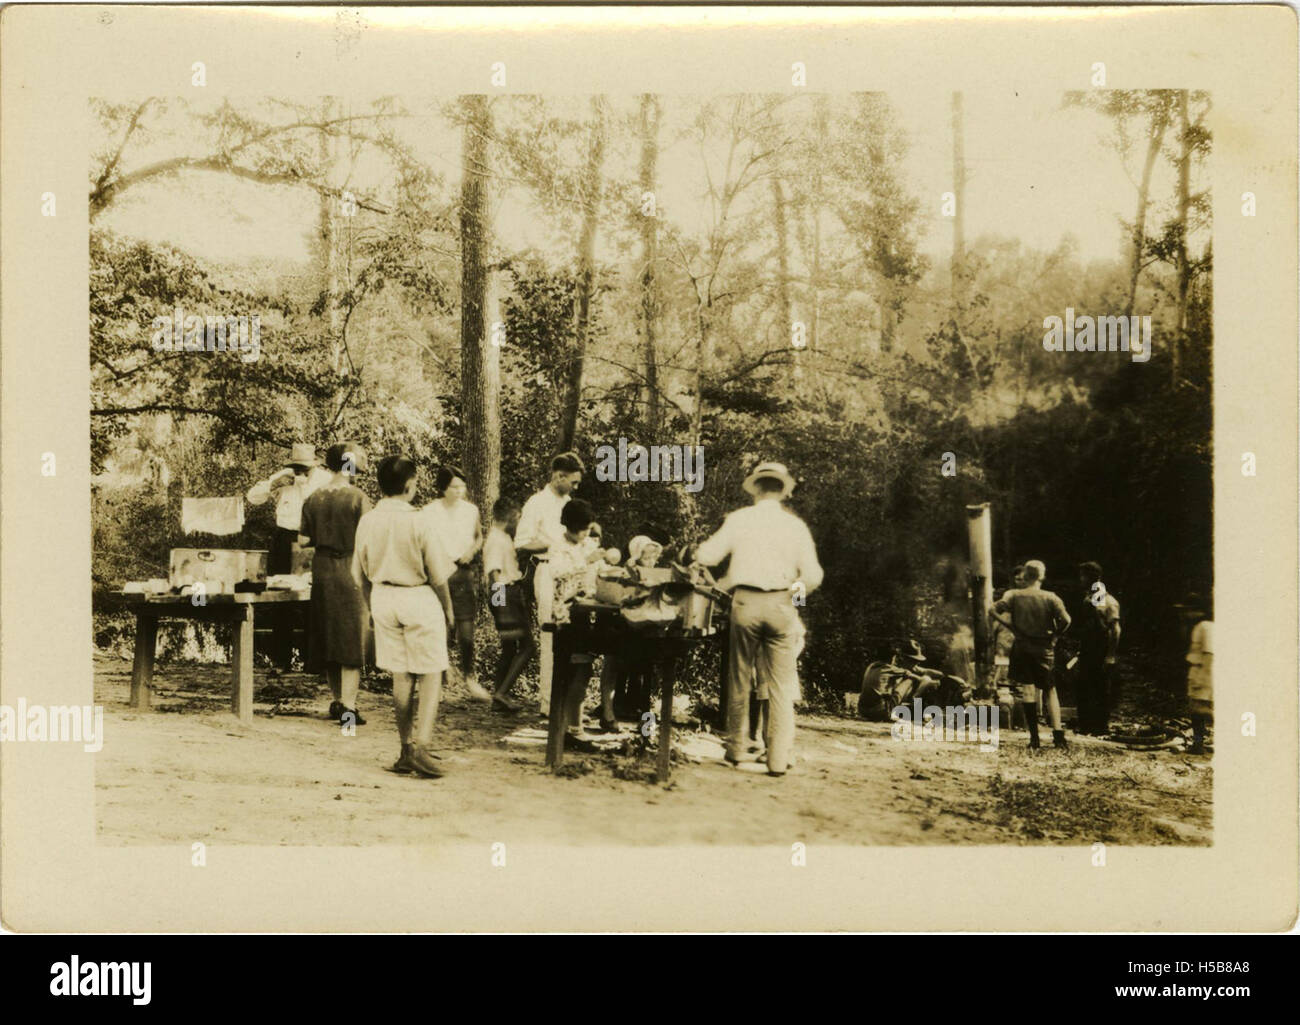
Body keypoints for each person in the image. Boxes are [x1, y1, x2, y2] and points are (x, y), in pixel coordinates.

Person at [695, 461, 822, 777]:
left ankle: (737, 750)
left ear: (756, 489)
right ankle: (777, 759)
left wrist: (697, 554)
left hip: (746, 601)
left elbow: (707, 556)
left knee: (740, 677)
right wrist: (793, 597)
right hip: (782, 604)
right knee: (780, 684)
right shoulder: (795, 526)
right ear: (782, 490)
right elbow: (813, 575)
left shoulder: (740, 520)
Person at [352, 456, 456, 779]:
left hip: (383, 596)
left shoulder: (368, 520)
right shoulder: (419, 520)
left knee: (401, 675)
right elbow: (438, 576)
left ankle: (405, 748)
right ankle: (420, 748)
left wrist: (371, 607)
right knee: (430, 673)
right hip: (418, 597)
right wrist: (449, 611)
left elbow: (359, 574)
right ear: (410, 485)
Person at [299, 443, 371, 725]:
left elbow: (303, 541)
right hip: (351, 569)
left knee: (327, 633)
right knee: (351, 637)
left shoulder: (314, 497)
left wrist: (324, 537)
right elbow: (368, 540)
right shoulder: (358, 498)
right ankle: (349, 708)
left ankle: (337, 701)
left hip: (323, 569)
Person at [246, 442, 332, 667]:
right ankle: (280, 659)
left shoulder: (325, 480)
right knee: (280, 595)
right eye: (296, 468)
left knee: (312, 598)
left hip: (312, 540)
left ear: (313, 466)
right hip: (284, 538)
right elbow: (252, 497)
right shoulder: (283, 477)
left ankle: (312, 660)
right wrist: (274, 484)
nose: (299, 473)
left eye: (304, 469)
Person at [515, 452, 585, 714]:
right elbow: (521, 543)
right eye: (573, 482)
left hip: (570, 573)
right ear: (559, 476)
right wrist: (552, 544)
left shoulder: (568, 502)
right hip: (547, 571)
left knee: (570, 636)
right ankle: (548, 703)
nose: (575, 488)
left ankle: (565, 700)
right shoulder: (537, 502)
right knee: (550, 636)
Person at [536, 498, 601, 750]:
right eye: (583, 529)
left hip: (582, 610)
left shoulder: (583, 544)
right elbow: (561, 573)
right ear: (571, 526)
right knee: (570, 669)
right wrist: (587, 561)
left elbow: (592, 573)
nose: (586, 534)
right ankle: (564, 729)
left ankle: (574, 728)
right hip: (564, 614)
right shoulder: (558, 548)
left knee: (584, 667)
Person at [420, 466, 489, 701]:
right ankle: (436, 681)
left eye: (462, 486)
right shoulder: (429, 511)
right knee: (437, 627)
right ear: (442, 489)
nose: (459, 491)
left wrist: (471, 551)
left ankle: (470, 678)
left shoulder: (471, 510)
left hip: (462, 572)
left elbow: (479, 537)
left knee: (466, 631)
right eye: (454, 487)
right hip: (438, 572)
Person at [991, 559, 1072, 750]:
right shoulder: (1051, 597)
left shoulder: (1013, 595)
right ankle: (1058, 736)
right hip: (1044, 649)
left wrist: (1010, 626)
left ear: (1026, 576)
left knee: (1027, 690)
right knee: (1050, 690)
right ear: (1042, 576)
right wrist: (1055, 636)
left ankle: (1034, 738)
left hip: (1022, 646)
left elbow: (992, 609)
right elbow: (1066, 620)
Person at [482, 496, 535, 714]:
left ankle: (498, 698)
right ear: (511, 516)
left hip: (506, 592)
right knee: (528, 646)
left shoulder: (502, 537)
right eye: (518, 518)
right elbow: (494, 573)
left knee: (509, 648)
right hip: (504, 593)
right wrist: (501, 607)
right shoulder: (496, 539)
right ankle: (501, 693)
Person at [1075, 561, 1121, 735]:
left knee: (1100, 688)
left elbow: (1115, 630)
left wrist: (1110, 655)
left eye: (1083, 576)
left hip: (1101, 650)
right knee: (1084, 686)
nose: (1081, 580)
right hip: (1088, 648)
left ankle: (1100, 727)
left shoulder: (1108, 601)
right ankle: (1086, 725)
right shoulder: (1089, 598)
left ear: (1091, 578)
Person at [1183, 596, 1213, 755]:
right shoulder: (1199, 627)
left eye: (1190, 610)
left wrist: (1202, 677)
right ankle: (1198, 743)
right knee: (1196, 710)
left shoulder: (1206, 627)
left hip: (1203, 670)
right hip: (1197, 669)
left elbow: (1209, 653)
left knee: (1200, 709)